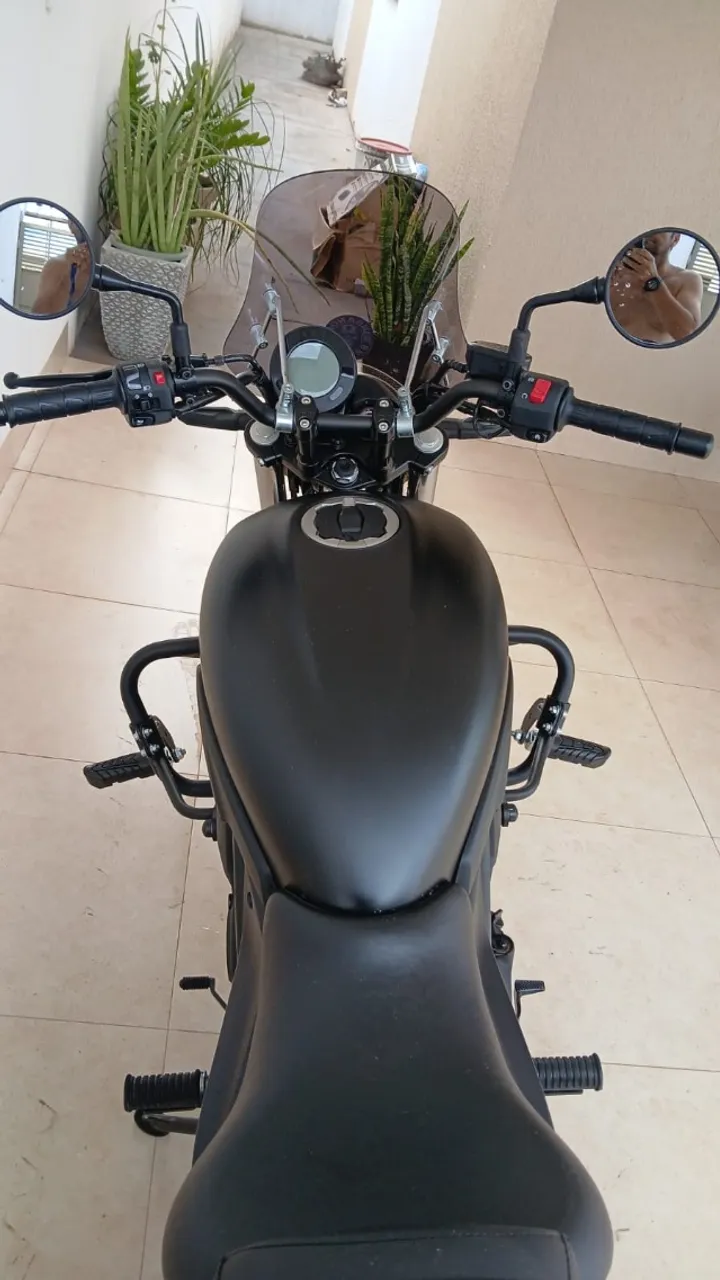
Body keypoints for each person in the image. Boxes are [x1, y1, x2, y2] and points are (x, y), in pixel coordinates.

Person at [608, 231, 703, 345]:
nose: (648, 232)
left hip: (650, 356)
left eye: (659, 229)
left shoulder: (687, 279)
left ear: (675, 239)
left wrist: (653, 283)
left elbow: (688, 334)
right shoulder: (617, 274)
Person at [32, 221, 92, 316]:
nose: (72, 223)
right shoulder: (56, 265)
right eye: (71, 221)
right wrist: (66, 276)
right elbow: (41, 316)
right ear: (70, 226)